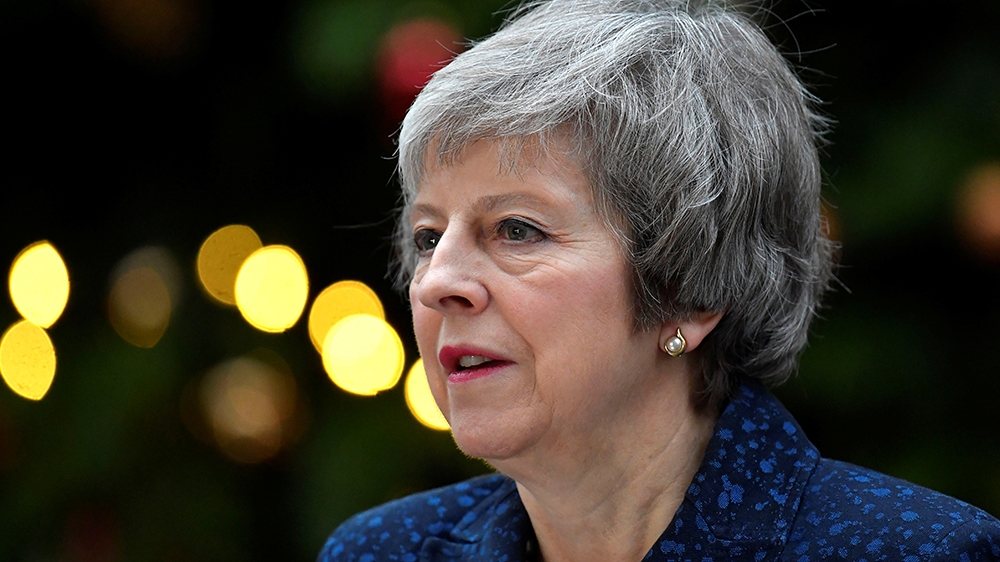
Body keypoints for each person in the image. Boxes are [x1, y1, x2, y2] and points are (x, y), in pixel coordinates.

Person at [319, 0, 1000, 560]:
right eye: (429, 237)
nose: (437, 281)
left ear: (689, 288)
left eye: (517, 229)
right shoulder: (381, 551)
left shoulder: (916, 552)